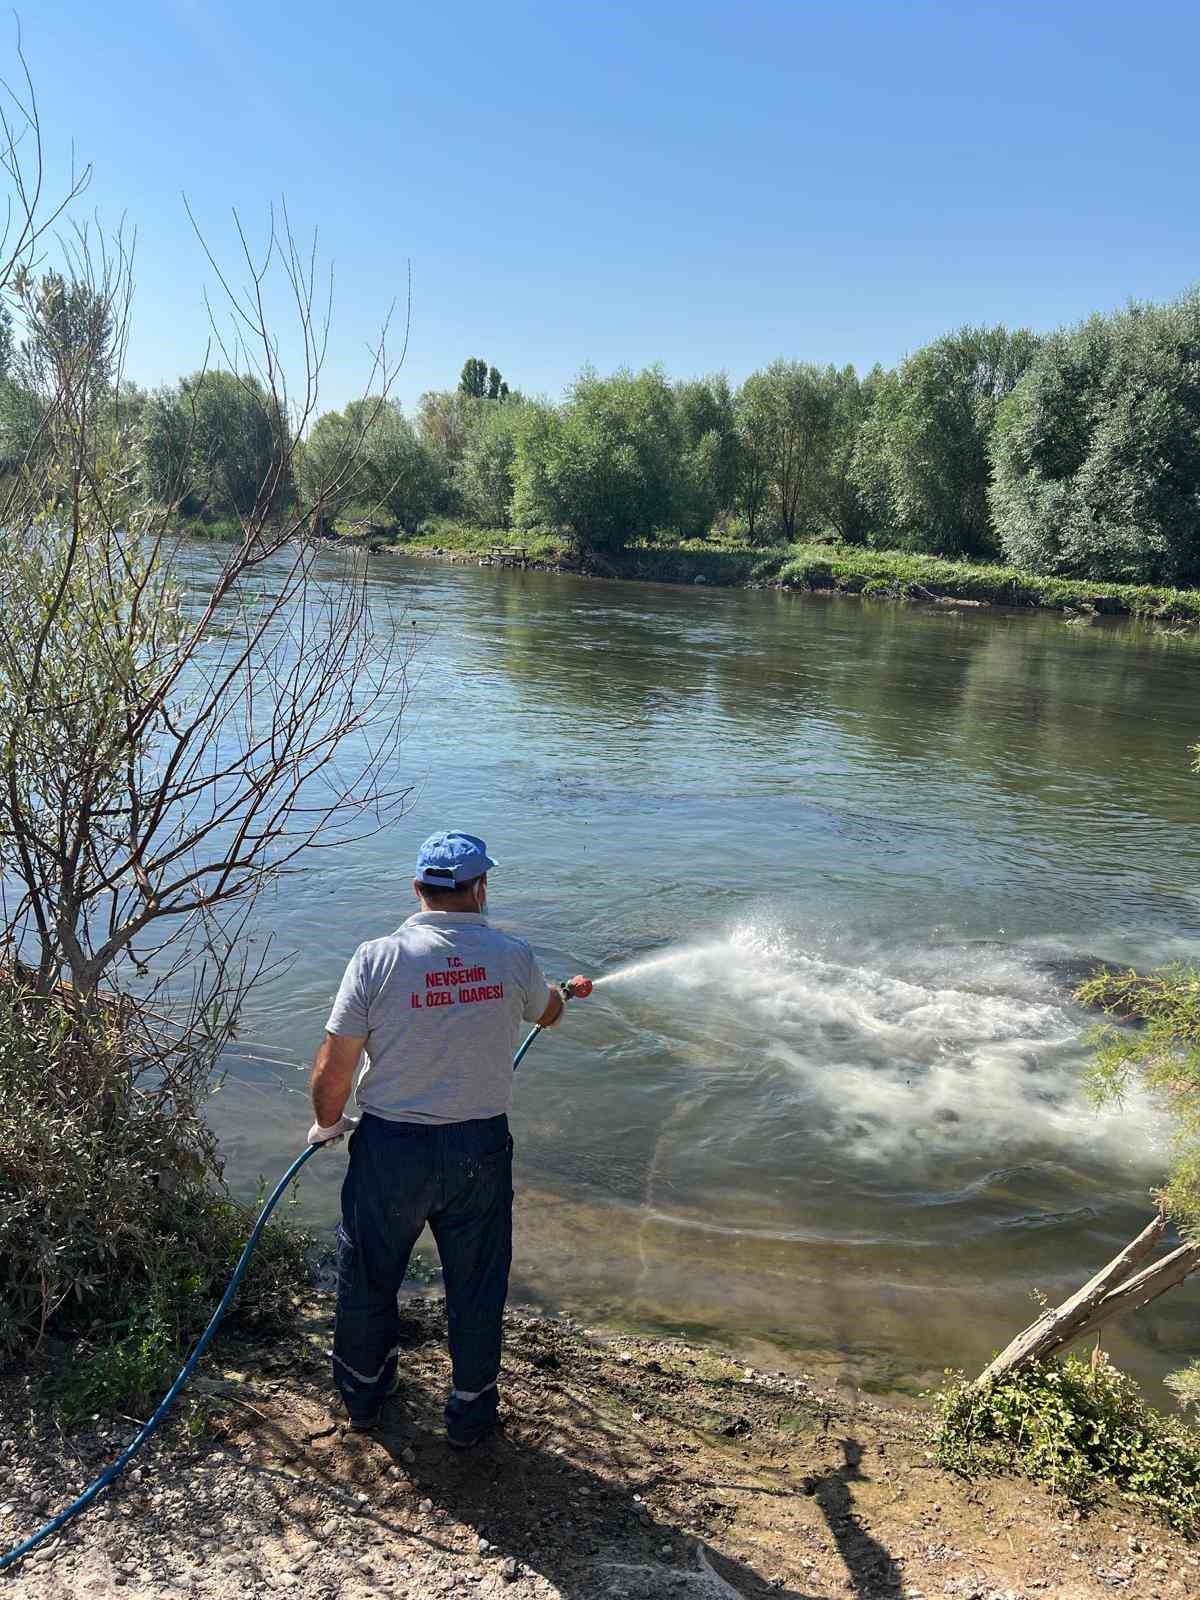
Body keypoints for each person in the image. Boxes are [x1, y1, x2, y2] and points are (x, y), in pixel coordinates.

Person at [307, 830, 565, 1447]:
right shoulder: (512, 954)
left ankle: (365, 1397)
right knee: (476, 1284)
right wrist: (563, 994)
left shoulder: (376, 958)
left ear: (418, 889)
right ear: (479, 889)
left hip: (391, 1148)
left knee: (369, 1275)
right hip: (479, 1149)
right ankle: (471, 1417)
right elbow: (547, 1011)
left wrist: (327, 1121)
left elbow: (336, 1065)